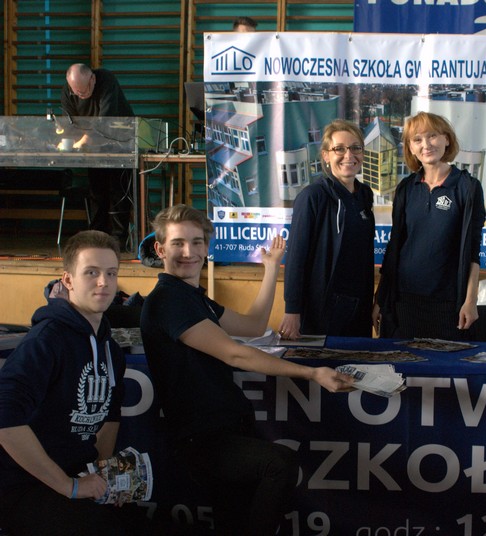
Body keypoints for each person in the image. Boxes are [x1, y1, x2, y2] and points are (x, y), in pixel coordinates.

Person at [140, 204, 353, 535]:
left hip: (227, 428)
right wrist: (312, 374)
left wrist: (271, 268)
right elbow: (235, 355)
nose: (189, 252)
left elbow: (253, 326)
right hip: (203, 438)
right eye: (178, 243)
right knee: (279, 464)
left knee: (235, 519)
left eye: (197, 242)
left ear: (206, 247)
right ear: (160, 249)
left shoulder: (193, 297)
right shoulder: (168, 299)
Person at [0, 231, 149, 535]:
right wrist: (69, 486)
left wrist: (105, 478)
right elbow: (5, 417)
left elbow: (111, 416)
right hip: (23, 484)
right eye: (91, 272)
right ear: (68, 280)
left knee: (137, 523)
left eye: (111, 273)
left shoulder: (109, 348)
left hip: (75, 474)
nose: (103, 282)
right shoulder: (47, 340)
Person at [373, 111, 485, 340]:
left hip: (447, 304)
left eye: (432, 136)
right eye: (417, 139)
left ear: (447, 139)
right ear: (411, 148)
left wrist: (471, 300)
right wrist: (380, 300)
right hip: (403, 302)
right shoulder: (406, 188)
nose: (426, 145)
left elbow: (473, 250)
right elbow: (394, 248)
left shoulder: (467, 187)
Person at [279, 119, 375, 339]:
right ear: (325, 155)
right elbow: (296, 257)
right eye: (339, 149)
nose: (349, 155)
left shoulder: (364, 195)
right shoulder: (312, 197)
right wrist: (292, 310)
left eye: (355, 148)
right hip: (322, 309)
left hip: (359, 307)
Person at [61, 63, 135, 248]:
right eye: (76, 92)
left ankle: (118, 240)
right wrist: (68, 139)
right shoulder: (69, 90)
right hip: (92, 147)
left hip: (119, 141)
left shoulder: (106, 80)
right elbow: (69, 121)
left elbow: (105, 118)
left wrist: (84, 140)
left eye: (84, 91)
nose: (81, 95)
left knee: (119, 192)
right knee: (96, 192)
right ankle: (96, 238)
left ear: (92, 79)